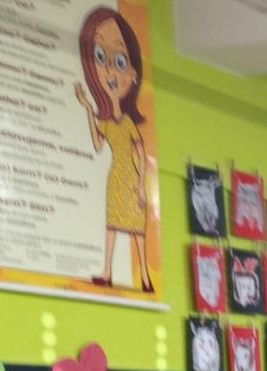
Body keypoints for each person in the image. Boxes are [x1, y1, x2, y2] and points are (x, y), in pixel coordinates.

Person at [73, 7, 153, 292]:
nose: (110, 70)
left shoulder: (128, 122)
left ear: (134, 74)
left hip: (130, 178)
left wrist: (141, 186)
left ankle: (145, 278)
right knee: (112, 225)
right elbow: (97, 145)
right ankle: (107, 272)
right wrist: (87, 109)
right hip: (115, 177)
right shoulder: (106, 121)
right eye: (99, 57)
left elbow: (140, 152)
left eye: (120, 61)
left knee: (138, 229)